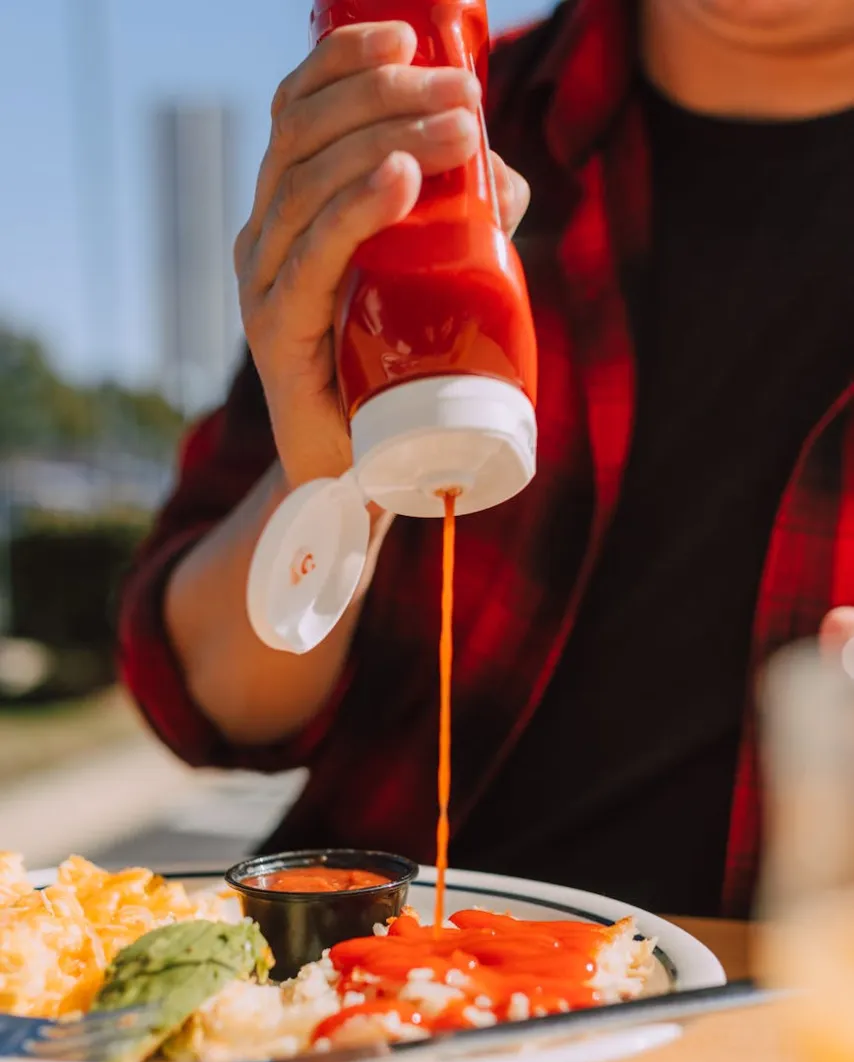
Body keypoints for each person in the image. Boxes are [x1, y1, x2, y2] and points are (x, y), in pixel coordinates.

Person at [119, 0, 854, 919]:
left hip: (790, 1021)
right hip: (382, 987)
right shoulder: (433, 118)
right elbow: (201, 700)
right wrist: (332, 477)